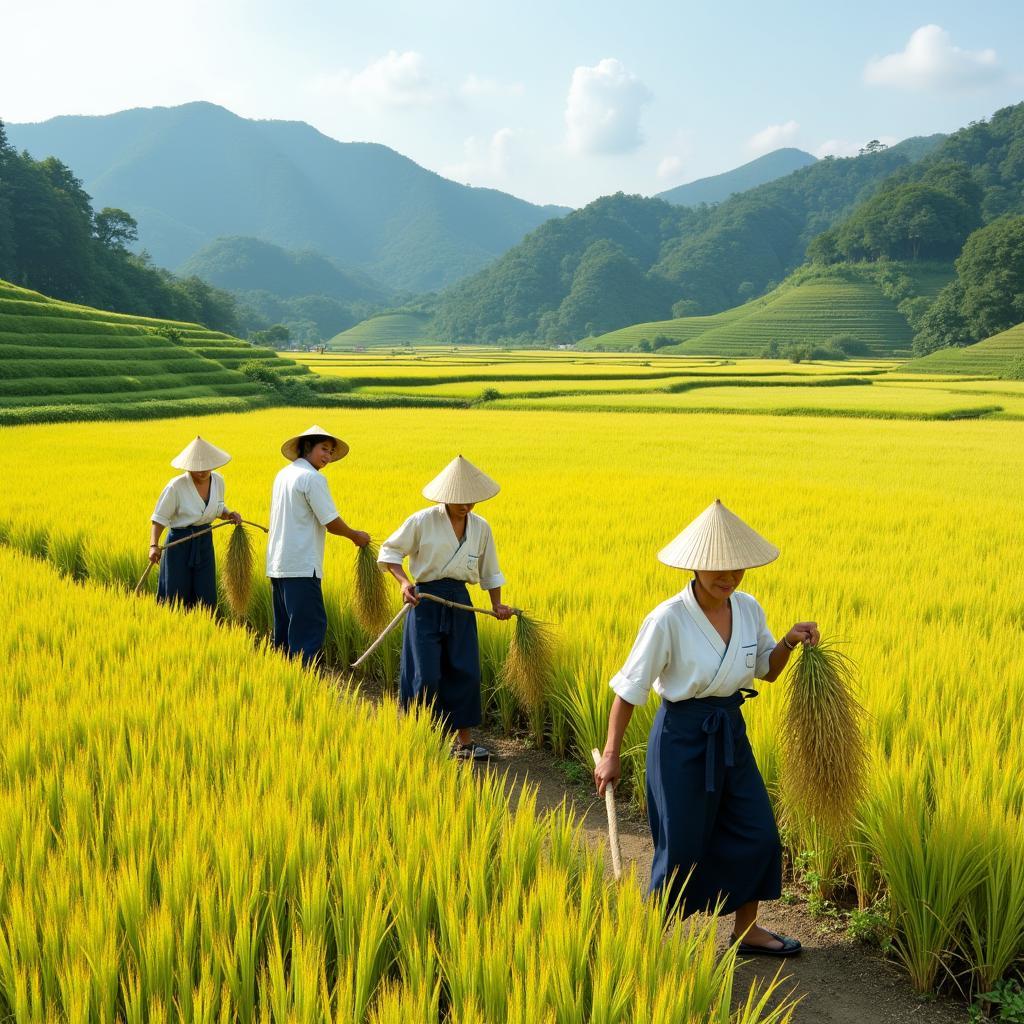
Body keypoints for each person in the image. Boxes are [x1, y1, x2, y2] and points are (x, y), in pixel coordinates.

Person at [593, 499, 820, 957]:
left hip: (729, 733)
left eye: (737, 569)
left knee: (758, 832)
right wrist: (612, 753)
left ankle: (746, 930)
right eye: (718, 568)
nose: (729, 577)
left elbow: (766, 671)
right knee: (681, 847)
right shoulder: (667, 619)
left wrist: (789, 641)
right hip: (681, 739)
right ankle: (646, 942)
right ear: (695, 565)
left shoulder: (749, 608)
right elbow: (629, 690)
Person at [378, 455, 513, 760]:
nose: (466, 504)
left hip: (460, 603)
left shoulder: (481, 528)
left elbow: (490, 570)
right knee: (425, 673)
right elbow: (389, 552)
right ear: (447, 496)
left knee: (464, 670)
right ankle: (420, 739)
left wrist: (497, 605)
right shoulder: (423, 520)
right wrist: (402, 582)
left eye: (471, 499)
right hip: (425, 600)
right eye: (459, 499)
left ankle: (464, 744)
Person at [266, 424, 370, 666]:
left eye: (331, 452)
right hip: (302, 566)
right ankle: (305, 684)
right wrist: (356, 536)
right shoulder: (312, 478)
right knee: (309, 631)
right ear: (307, 447)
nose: (327, 456)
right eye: (324, 449)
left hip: (278, 565)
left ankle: (284, 682)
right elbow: (331, 522)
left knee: (284, 633)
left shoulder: (283, 474)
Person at [149, 436, 242, 610]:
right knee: (176, 597)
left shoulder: (218, 481)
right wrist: (153, 545)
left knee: (206, 595)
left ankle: (205, 630)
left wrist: (229, 514)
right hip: (179, 545)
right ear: (189, 466)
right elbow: (159, 518)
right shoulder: (176, 486)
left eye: (206, 466)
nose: (202, 471)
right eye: (197, 467)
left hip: (204, 543)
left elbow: (216, 508)